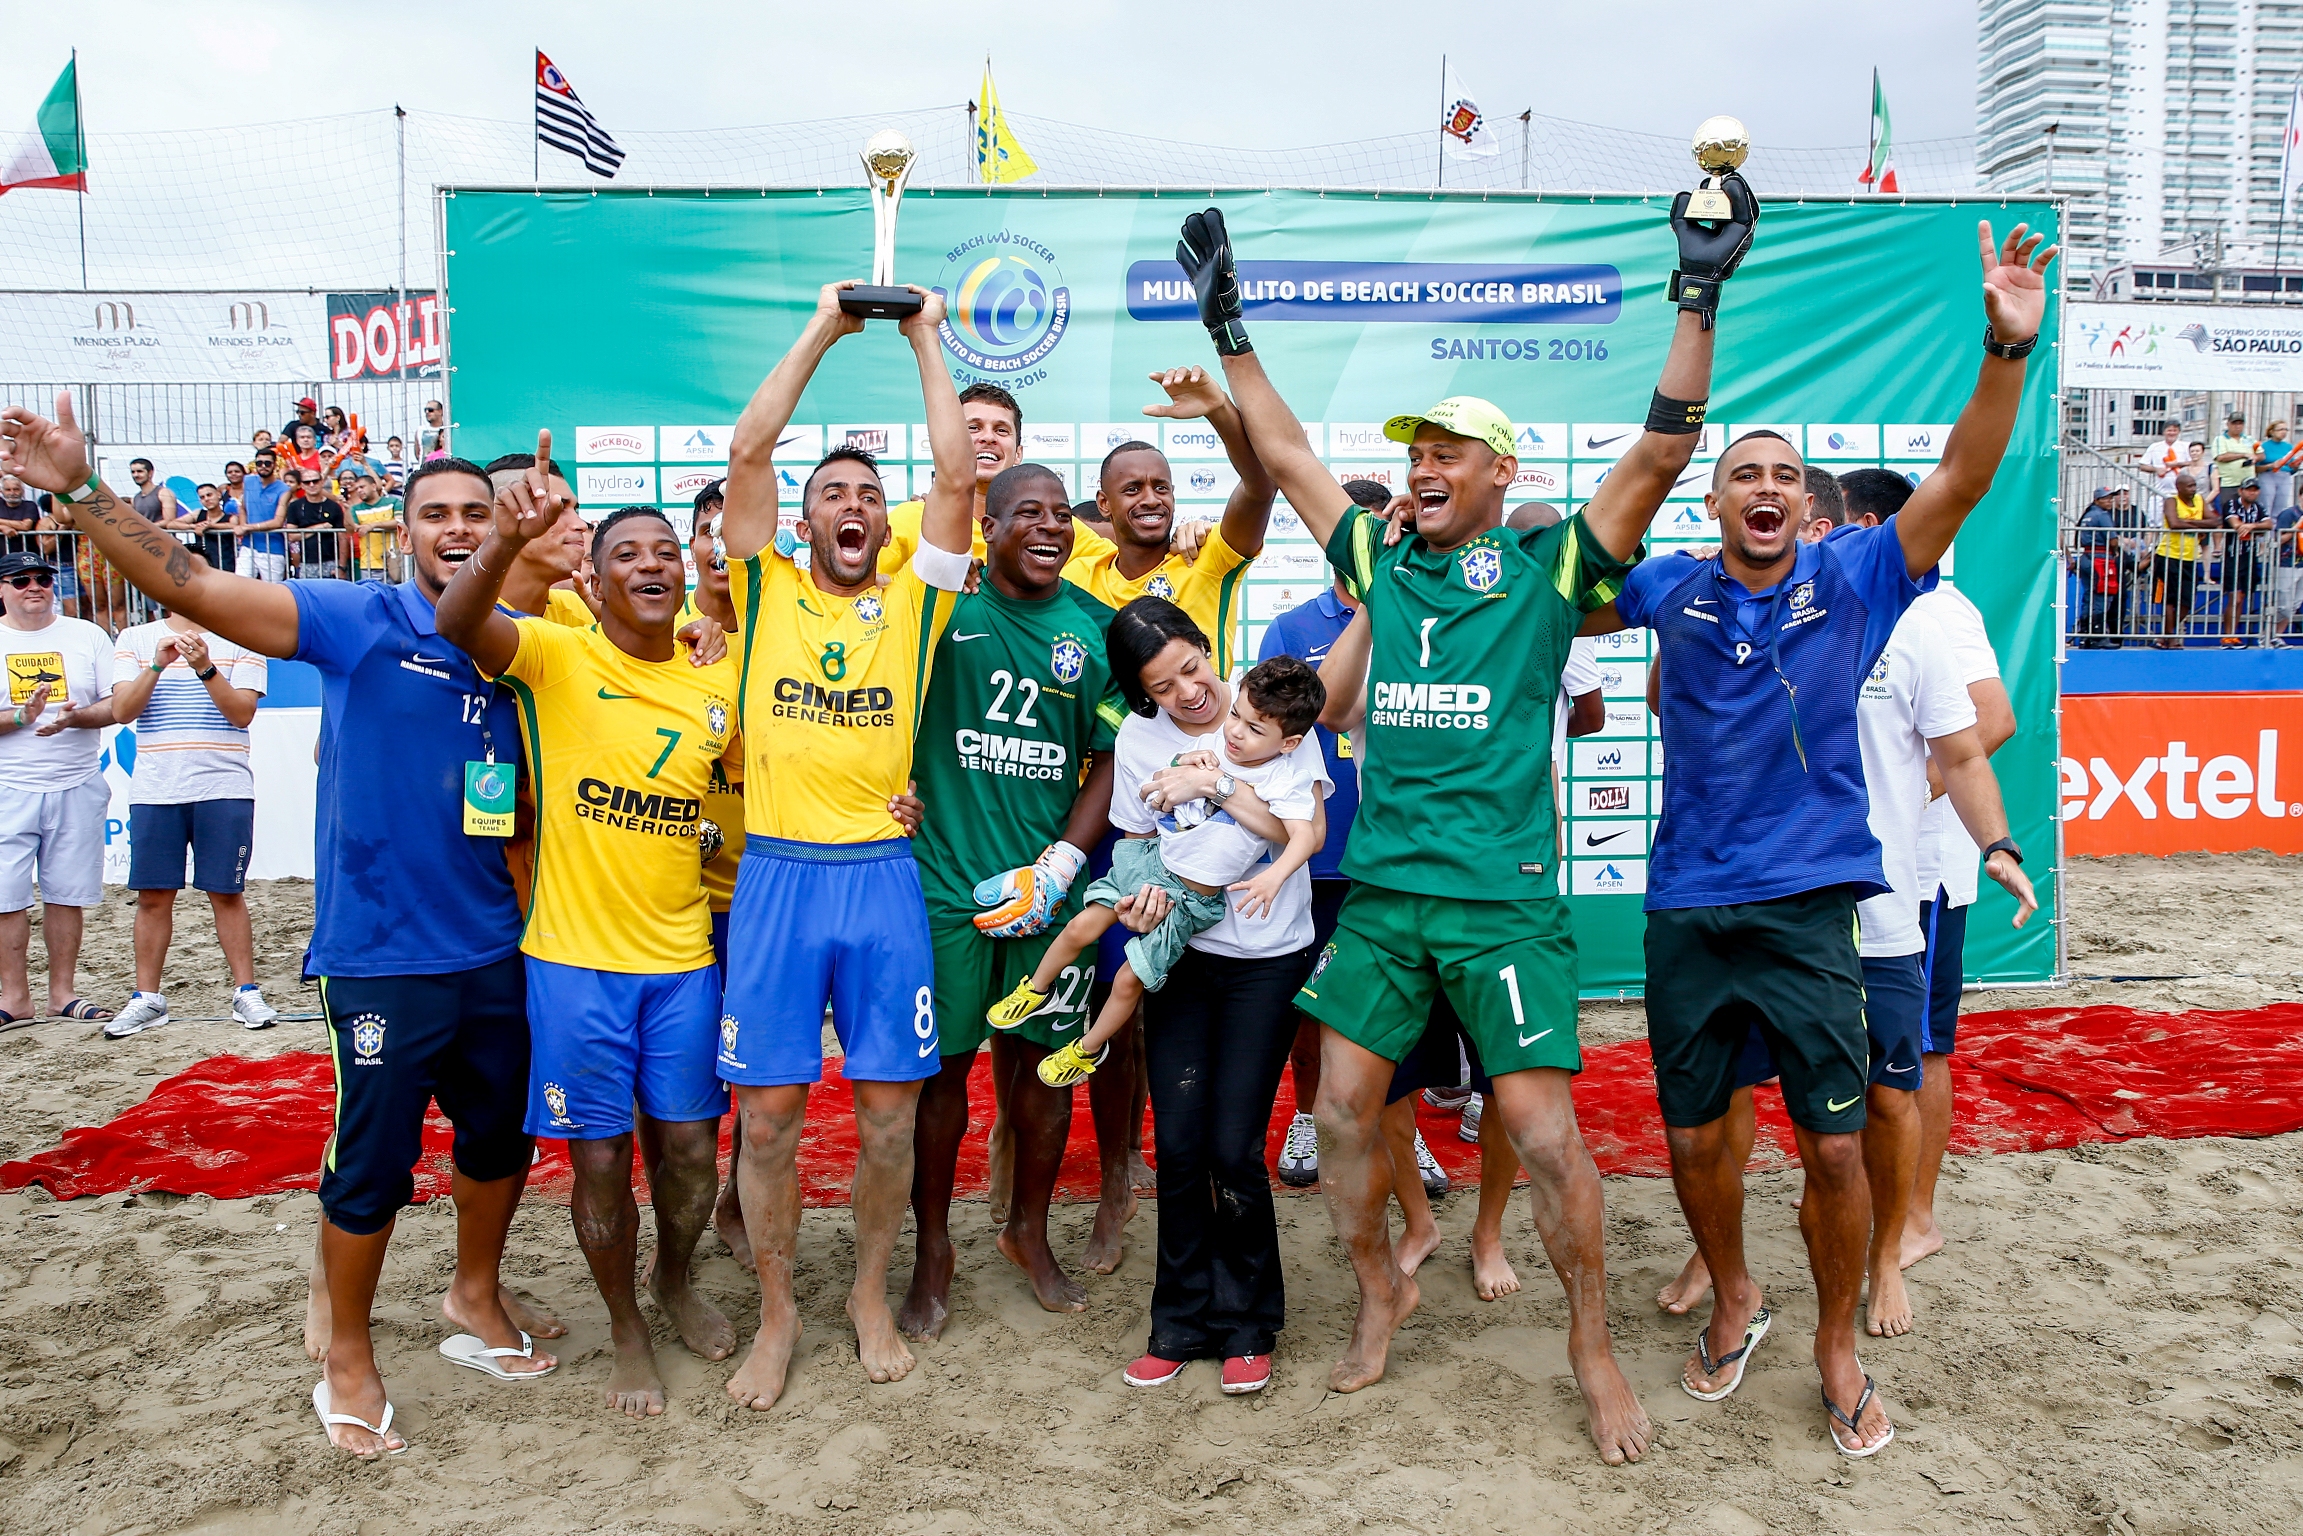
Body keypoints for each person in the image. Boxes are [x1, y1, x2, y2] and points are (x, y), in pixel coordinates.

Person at [1193, 177, 1749, 1456]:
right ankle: (1383, 1282)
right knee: (1336, 1117)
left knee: (1546, 1136)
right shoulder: (1382, 562)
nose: (1421, 468)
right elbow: (1281, 453)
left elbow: (1664, 450)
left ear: (1504, 473)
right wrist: (1228, 323)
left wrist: (1696, 290)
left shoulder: (1553, 567)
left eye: (1448, 452)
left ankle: (1590, 1346)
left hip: (1500, 903)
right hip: (1384, 896)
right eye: (1414, 452)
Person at [0, 397, 567, 1457]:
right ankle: (346, 1348)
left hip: (499, 948)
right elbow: (192, 582)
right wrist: (79, 490)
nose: (456, 526)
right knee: (374, 1163)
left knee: (497, 1141)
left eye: (474, 512)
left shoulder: (530, 649)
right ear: (402, 534)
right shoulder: (359, 620)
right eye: (434, 511)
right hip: (382, 957)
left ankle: (471, 1297)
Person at [1598, 222, 2055, 1459]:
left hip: (1810, 906)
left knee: (1837, 1144)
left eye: (1781, 473)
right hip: (1687, 907)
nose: (1762, 486)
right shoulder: (1665, 588)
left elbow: (1959, 475)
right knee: (1693, 1140)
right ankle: (1733, 1291)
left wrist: (2004, 347)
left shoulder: (1856, 575)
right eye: (1741, 471)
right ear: (1713, 499)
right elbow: (1586, 557)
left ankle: (1834, 1345)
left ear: (1803, 501)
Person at [713, 279, 976, 1410]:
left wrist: (924, 337)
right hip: (774, 878)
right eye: (832, 495)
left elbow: (959, 478)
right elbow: (747, 446)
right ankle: (779, 1312)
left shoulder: (920, 600)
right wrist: (825, 323)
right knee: (767, 1121)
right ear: (805, 520)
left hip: (878, 882)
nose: (853, 506)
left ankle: (866, 1292)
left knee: (885, 1118)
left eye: (870, 493)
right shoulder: (761, 585)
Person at [436, 469, 742, 1419]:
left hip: (683, 965)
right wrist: (504, 541)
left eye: (663, 552)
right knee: (602, 1164)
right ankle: (625, 1326)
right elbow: (457, 624)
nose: (649, 563)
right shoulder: (555, 656)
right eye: (625, 554)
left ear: (683, 580)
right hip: (573, 969)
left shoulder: (713, 691)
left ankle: (674, 1278)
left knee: (691, 1155)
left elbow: (763, 798)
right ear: (596, 585)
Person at [897, 460, 1132, 1341]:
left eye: (1058, 515)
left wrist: (1065, 862)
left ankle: (1025, 1233)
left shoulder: (1097, 631)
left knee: (1043, 1074)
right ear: (986, 525)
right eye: (1023, 513)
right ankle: (931, 1252)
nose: (1048, 527)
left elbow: (1112, 760)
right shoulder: (938, 614)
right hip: (943, 890)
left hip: (1044, 896)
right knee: (942, 1080)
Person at [1089, 598, 1332, 1396]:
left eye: (1192, 668)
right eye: (1163, 688)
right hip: (1181, 957)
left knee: (1234, 1147)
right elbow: (1131, 840)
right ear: (1142, 695)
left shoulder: (1270, 711)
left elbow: (1288, 831)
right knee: (1181, 1146)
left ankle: (1248, 1320)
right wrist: (1137, 899)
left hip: (1265, 962)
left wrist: (1215, 783)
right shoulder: (1138, 739)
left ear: (1206, 648)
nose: (1190, 695)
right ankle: (1179, 1318)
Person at [995, 651, 1325, 1086]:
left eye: (1254, 729)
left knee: (1130, 979)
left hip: (1191, 901)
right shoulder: (1211, 744)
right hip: (1153, 863)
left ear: (1288, 744)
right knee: (1079, 927)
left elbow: (1305, 835)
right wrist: (1190, 764)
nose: (1236, 732)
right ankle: (1033, 990)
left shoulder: (1284, 780)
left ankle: (1086, 1049)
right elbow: (1164, 779)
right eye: (1237, 716)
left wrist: (1274, 875)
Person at [1255, 479, 1385, 1190]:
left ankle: (1389, 1132)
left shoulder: (1415, 614)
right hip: (1315, 853)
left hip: (1389, 853)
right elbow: (1274, 738)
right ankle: (1305, 1118)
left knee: (1385, 1004)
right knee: (1309, 1000)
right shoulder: (1290, 627)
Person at [0, 549, 117, 1028]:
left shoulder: (87, 635)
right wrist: (21, 717)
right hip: (8, 784)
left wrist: (75, 717)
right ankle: (13, 999)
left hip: (77, 780)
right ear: (1, 590)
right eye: (21, 579)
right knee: (6, 899)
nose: (35, 587)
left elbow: (116, 704)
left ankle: (61, 994)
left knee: (66, 894)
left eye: (43, 579)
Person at [877, 381, 1024, 570]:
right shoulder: (911, 521)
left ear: (1018, 453)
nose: (988, 437)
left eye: (1001, 430)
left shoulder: (1046, 530)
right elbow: (867, 593)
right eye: (973, 427)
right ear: (949, 441)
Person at [2154, 471, 2213, 648]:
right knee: (2170, 599)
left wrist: (2189, 523)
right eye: (2189, 486)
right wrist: (2199, 524)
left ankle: (2164, 635)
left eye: (2194, 485)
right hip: (2169, 555)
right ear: (2178, 487)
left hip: (2190, 557)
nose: (2193, 489)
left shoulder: (2200, 501)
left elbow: (2215, 521)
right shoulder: (2171, 501)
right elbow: (2174, 523)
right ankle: (2170, 637)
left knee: (2187, 601)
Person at [2218, 480, 2272, 645]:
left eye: (2255, 490)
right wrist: (2254, 527)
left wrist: (2250, 526)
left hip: (2250, 556)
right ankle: (2228, 636)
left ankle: (2233, 635)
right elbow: (2236, 524)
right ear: (2241, 491)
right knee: (2235, 597)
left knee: (2241, 596)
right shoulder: (2232, 504)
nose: (2252, 493)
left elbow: (2269, 524)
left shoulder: (2259, 507)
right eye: (2249, 490)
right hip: (2233, 555)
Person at [2071, 485, 2127, 647]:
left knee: (2089, 596)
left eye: (2111, 497)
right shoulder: (2102, 515)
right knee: (2101, 596)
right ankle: (2098, 636)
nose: (2110, 501)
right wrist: (2115, 551)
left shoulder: (2087, 515)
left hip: (2087, 557)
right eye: (2106, 498)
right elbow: (2113, 539)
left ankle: (2086, 635)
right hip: (2100, 559)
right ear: (2097, 500)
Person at [237, 448, 292, 583]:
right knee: (239, 586)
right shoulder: (248, 481)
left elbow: (278, 522)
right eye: (259, 463)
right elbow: (243, 508)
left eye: (267, 463)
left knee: (272, 592)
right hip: (248, 546)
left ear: (274, 465)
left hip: (272, 549)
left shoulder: (284, 489)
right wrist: (243, 526)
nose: (263, 466)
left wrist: (247, 528)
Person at [287, 469, 348, 581]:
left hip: (331, 562)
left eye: (315, 481)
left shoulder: (334, 507)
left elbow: (342, 538)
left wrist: (341, 567)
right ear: (301, 485)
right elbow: (292, 536)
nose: (311, 485)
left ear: (322, 482)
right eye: (307, 482)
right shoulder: (294, 506)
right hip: (306, 563)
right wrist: (320, 527)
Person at [346, 473, 399, 580]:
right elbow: (351, 529)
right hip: (369, 565)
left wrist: (373, 525)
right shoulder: (355, 509)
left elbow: (400, 522)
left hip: (395, 561)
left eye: (362, 487)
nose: (359, 491)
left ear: (374, 486)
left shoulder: (393, 502)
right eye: (356, 489)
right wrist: (346, 508)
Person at [2211, 412, 2256, 515]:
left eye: (2240, 423)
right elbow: (2221, 457)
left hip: (2248, 483)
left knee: (2248, 512)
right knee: (2228, 512)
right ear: (2228, 424)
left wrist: (2254, 458)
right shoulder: (2220, 439)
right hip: (2229, 484)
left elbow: (2261, 454)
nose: (2237, 426)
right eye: (2234, 423)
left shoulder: (2249, 439)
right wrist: (2243, 455)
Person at [2256, 420, 2296, 522]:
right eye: (2280, 429)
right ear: (2272, 431)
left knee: (2280, 507)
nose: (2284, 432)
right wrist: (2271, 465)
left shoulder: (2288, 446)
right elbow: (2256, 468)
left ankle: (2275, 535)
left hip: (2284, 476)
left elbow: (2292, 469)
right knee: (2266, 505)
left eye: (2286, 429)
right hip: (2268, 475)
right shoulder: (2263, 446)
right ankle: (2263, 535)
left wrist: (2295, 466)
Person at [3, 473, 47, 555]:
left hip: (28, 555)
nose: (12, 493)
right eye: (8, 490)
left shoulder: (30, 505)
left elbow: (25, 526)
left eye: (16, 489)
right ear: (2, 491)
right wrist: (2, 528)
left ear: (22, 491)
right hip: (3, 558)